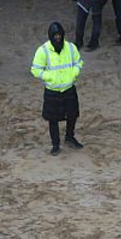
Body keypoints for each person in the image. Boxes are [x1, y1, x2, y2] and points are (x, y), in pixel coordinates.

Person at [31, 22, 84, 156]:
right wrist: (49, 77)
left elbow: (79, 62)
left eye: (59, 35)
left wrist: (74, 73)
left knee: (72, 115)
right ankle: (55, 145)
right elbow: (35, 70)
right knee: (52, 119)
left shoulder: (71, 48)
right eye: (55, 36)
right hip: (52, 90)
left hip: (69, 88)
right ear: (51, 36)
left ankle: (70, 137)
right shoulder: (43, 51)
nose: (58, 38)